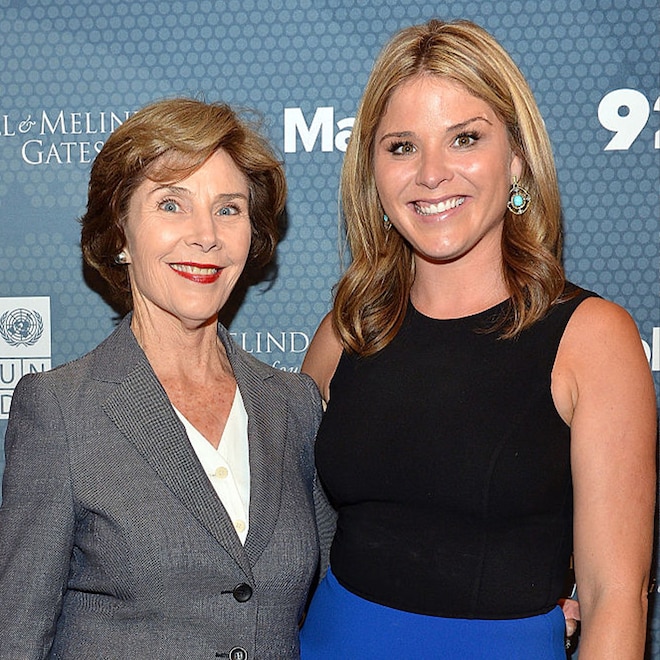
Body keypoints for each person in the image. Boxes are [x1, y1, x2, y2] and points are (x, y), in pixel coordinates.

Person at [300, 19, 656, 660]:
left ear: (517, 158)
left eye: (464, 138)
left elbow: (614, 599)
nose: (431, 174)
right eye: (402, 147)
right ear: (373, 172)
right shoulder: (347, 331)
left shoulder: (592, 339)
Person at [0, 98, 323, 659]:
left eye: (228, 209)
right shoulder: (60, 411)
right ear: (121, 234)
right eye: (172, 204)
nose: (206, 235)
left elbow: (331, 603)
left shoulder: (294, 405)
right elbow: (17, 635)